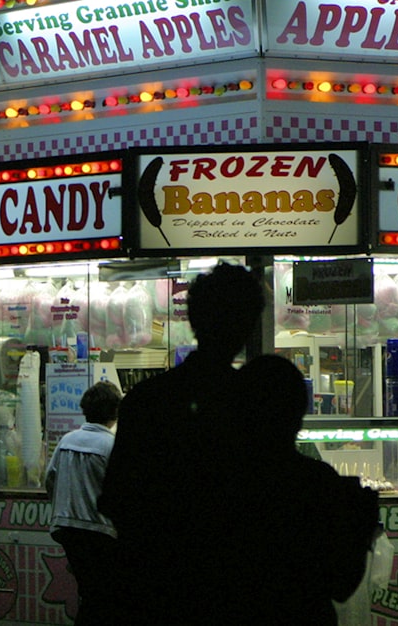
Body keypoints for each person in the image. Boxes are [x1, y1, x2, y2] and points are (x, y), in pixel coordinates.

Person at [97, 262, 266, 624]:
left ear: (192, 320)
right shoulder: (255, 407)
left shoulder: (145, 401)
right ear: (251, 325)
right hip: (235, 594)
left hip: (157, 592)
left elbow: (116, 501)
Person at [236, 354, 380, 624]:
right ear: (299, 413)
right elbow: (342, 584)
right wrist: (362, 525)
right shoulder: (317, 482)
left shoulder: (218, 482)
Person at [45, 380, 123, 626]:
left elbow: (50, 479)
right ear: (115, 412)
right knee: (102, 597)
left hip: (68, 529)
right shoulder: (112, 446)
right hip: (100, 531)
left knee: (90, 592)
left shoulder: (67, 440)